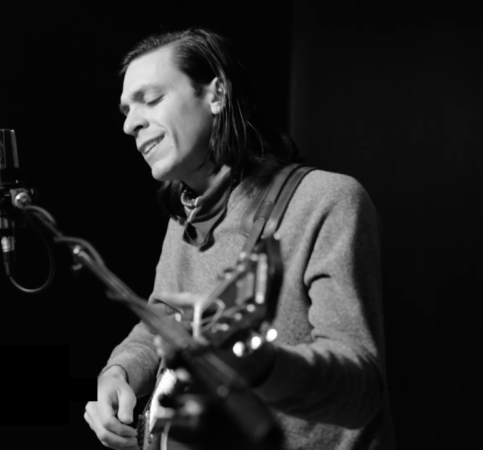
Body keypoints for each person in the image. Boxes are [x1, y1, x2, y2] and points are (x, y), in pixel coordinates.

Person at [83, 28, 396, 449]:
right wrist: (118, 372)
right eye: (126, 110)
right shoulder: (184, 216)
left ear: (217, 95)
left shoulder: (327, 200)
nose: (129, 124)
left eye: (151, 99)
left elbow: (362, 391)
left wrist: (258, 364)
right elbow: (162, 319)